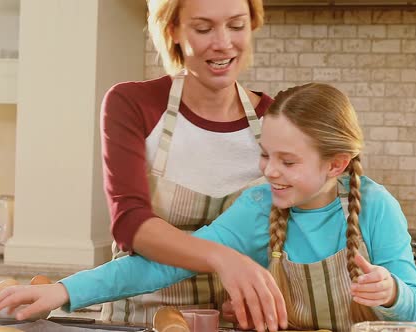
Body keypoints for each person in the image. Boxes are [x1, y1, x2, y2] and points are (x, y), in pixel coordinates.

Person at [0, 83, 416, 332]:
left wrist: (390, 292)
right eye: (266, 155)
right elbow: (161, 265)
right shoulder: (261, 207)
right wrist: (62, 292)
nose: (271, 172)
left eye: (288, 161)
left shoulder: (376, 207)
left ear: (336, 164)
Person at [96, 0, 287, 330]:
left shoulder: (276, 118)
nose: (223, 42)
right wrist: (222, 258)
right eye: (203, 28)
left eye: (237, 26)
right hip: (143, 320)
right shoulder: (131, 104)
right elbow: (130, 223)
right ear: (172, 30)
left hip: (239, 323)